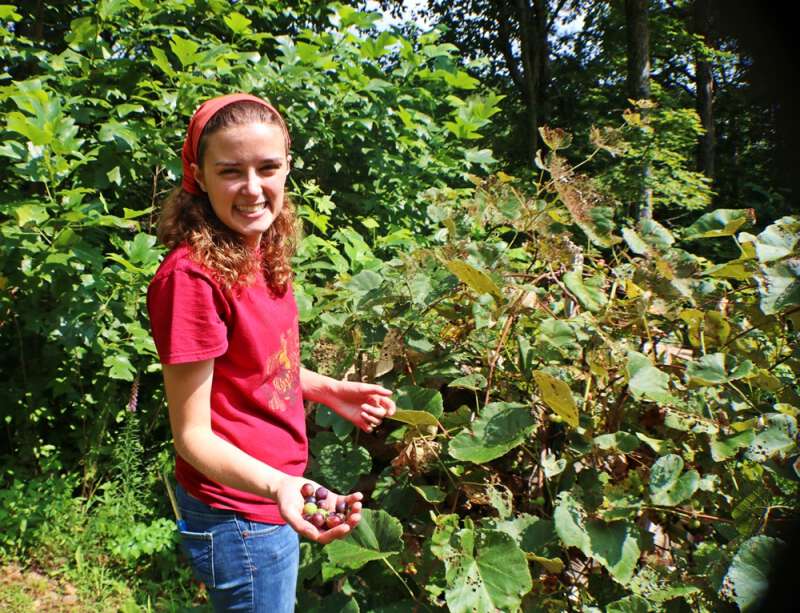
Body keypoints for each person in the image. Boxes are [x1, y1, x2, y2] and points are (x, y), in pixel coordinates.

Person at [147, 93, 396, 612]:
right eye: (231, 171)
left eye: (268, 167)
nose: (254, 189)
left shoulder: (254, 247)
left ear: (287, 165)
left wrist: (328, 390)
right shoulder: (192, 279)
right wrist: (281, 486)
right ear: (197, 175)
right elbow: (191, 437)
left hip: (267, 496)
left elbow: (257, 364)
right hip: (238, 514)